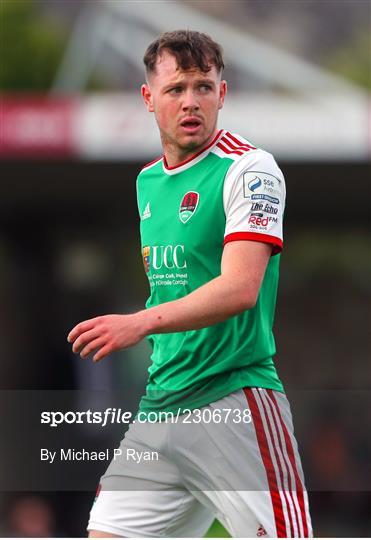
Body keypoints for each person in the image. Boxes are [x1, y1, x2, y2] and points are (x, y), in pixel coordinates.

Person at [68, 30, 313, 538]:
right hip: (160, 406)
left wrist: (140, 323)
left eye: (204, 87)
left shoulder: (249, 169)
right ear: (148, 98)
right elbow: (173, 289)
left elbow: (240, 287)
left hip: (233, 401)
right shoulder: (147, 183)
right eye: (176, 88)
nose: (191, 101)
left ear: (222, 94)